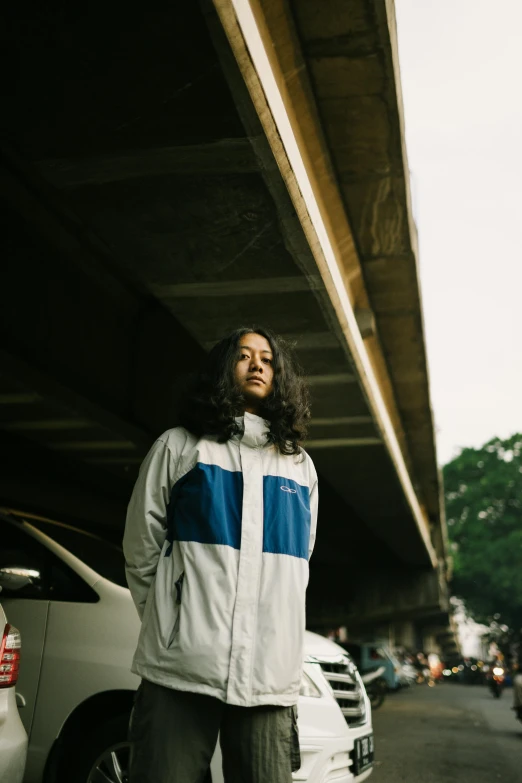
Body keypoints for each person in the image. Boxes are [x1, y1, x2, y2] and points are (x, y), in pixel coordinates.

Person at [123, 327, 318, 783]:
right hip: (180, 670)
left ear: (278, 376)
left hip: (268, 676)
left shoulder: (299, 466)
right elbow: (141, 547)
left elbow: (300, 562)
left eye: (267, 360)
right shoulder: (179, 446)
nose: (257, 365)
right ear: (223, 368)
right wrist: (170, 622)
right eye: (244, 356)